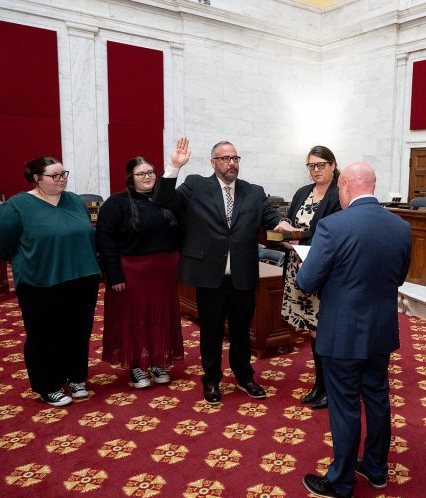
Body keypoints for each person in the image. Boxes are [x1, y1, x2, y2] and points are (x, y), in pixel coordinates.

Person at [296, 162, 411, 498]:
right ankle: (375, 469)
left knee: (345, 405)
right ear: (372, 186)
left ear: (345, 185)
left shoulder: (333, 226)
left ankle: (341, 483)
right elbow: (399, 278)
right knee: (376, 398)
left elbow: (306, 282)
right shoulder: (401, 227)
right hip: (381, 331)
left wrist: (308, 264)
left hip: (343, 333)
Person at [153, 137, 295, 405]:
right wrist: (174, 167)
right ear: (213, 162)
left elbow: (271, 218)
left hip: (242, 274)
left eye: (235, 158)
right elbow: (163, 200)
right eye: (225, 159)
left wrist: (283, 224)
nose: (232, 163)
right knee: (211, 331)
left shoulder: (253, 191)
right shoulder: (196, 185)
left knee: (242, 330)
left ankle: (244, 377)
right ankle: (212, 380)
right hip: (209, 274)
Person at [0, 157, 101, 407]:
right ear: (37, 178)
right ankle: (48, 385)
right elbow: (1, 244)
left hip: (82, 277)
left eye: (64, 174)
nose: (62, 179)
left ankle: (76, 378)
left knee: (78, 331)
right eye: (55, 176)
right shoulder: (17, 206)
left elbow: (87, 235)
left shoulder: (74, 200)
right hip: (40, 281)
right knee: (44, 335)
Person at [96, 154, 184, 389]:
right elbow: (105, 241)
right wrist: (113, 274)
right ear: (130, 178)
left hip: (164, 273)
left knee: (160, 318)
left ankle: (157, 361)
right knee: (134, 320)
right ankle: (136, 364)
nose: (147, 177)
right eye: (141, 174)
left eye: (151, 173)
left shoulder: (168, 200)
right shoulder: (116, 203)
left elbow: (182, 231)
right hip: (132, 272)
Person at [280, 146, 342, 410]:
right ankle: (319, 383)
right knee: (312, 330)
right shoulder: (302, 192)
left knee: (324, 330)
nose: (315, 170)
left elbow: (334, 233)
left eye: (320, 165)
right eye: (311, 166)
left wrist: (298, 238)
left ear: (332, 165)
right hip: (299, 267)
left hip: (323, 270)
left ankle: (330, 386)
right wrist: (285, 235)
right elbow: (295, 224)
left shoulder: (339, 193)